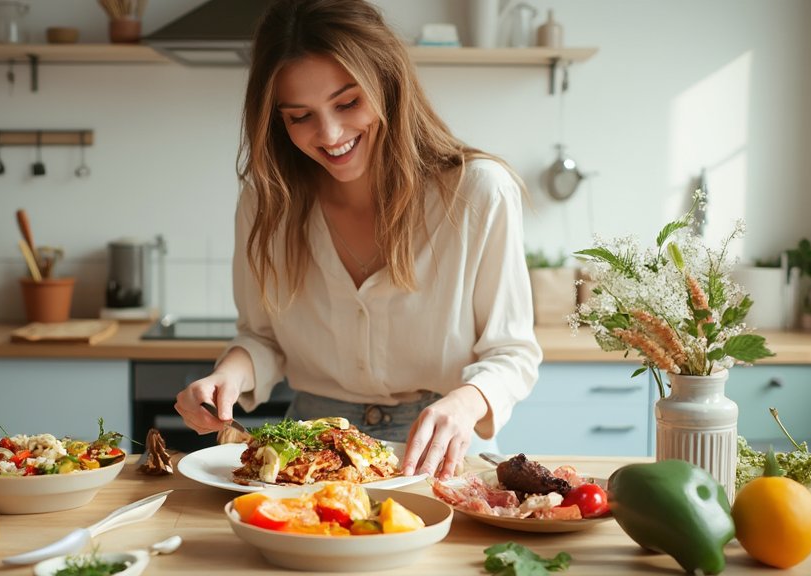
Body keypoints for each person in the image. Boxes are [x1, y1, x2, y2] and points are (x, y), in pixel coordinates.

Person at [174, 0, 541, 480]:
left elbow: (512, 353)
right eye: (299, 116)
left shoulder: (477, 193)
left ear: (388, 85)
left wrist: (468, 402)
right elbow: (261, 338)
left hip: (434, 449)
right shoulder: (269, 202)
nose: (329, 134)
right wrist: (228, 377)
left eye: (348, 103)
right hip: (306, 449)